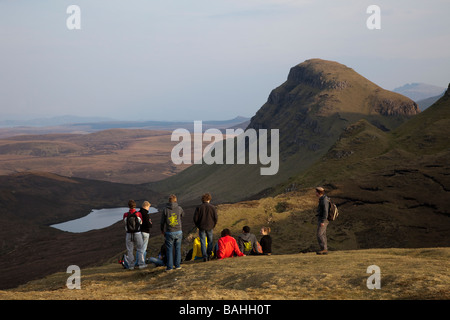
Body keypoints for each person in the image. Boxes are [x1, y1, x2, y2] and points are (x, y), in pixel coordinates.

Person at [160, 194, 184, 271]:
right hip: (178, 231)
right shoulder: (179, 208)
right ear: (176, 200)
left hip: (169, 232)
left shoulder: (165, 210)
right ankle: (177, 265)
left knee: (169, 250)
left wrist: (162, 230)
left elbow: (162, 222)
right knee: (177, 249)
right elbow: (183, 215)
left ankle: (169, 267)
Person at [193, 193, 218, 262]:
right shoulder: (212, 207)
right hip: (210, 226)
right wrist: (213, 225)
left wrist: (198, 225)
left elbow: (195, 218)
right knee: (210, 241)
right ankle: (209, 254)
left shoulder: (199, 207)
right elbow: (215, 218)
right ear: (209, 199)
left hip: (201, 227)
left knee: (203, 242)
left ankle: (205, 256)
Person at [123, 200, 146, 269]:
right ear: (135, 206)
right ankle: (141, 264)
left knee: (130, 250)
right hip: (137, 233)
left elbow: (124, 223)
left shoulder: (125, 214)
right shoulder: (138, 214)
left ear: (128, 206)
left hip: (129, 234)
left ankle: (131, 266)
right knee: (140, 249)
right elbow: (141, 223)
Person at [135, 201, 152, 267]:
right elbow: (149, 224)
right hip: (145, 232)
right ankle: (142, 263)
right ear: (146, 206)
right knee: (144, 248)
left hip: (139, 232)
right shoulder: (146, 214)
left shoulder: (138, 213)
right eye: (148, 207)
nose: (148, 209)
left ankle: (137, 262)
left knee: (139, 248)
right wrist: (150, 224)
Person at [315, 187, 329, 255]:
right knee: (323, 234)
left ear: (318, 192)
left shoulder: (324, 200)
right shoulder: (323, 199)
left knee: (319, 234)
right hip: (322, 219)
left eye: (316, 192)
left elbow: (325, 211)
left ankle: (324, 249)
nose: (315, 193)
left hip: (323, 220)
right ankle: (324, 249)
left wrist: (323, 221)